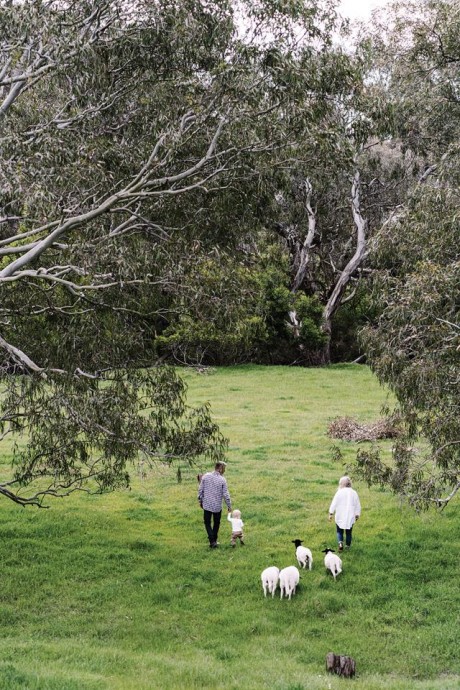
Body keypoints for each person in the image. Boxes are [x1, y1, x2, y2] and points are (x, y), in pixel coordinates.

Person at [198, 461, 232, 548]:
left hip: (207, 504)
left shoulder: (206, 476)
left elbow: (200, 490)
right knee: (217, 523)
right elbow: (226, 494)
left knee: (207, 522)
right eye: (224, 468)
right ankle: (214, 541)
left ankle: (212, 541)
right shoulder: (222, 480)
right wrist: (229, 505)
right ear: (220, 468)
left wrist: (200, 501)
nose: (224, 470)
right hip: (217, 506)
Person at [328, 476, 361, 552]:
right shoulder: (354, 493)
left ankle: (340, 544)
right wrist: (357, 514)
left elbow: (334, 503)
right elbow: (357, 504)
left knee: (339, 531)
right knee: (349, 532)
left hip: (340, 514)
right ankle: (347, 546)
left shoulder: (339, 492)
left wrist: (331, 513)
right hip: (350, 516)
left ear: (341, 484)